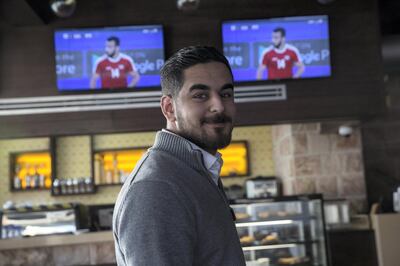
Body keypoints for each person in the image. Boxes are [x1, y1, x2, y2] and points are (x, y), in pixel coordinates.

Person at [113, 46, 246, 266]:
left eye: (226, 94)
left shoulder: (197, 169)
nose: (219, 106)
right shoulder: (156, 187)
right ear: (169, 108)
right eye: (200, 95)